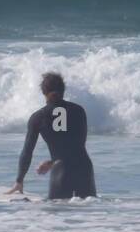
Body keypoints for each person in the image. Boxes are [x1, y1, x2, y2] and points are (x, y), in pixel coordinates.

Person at [8, 72, 96, 200]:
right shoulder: (79, 111)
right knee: (88, 215)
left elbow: (27, 151)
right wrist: (52, 161)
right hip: (84, 169)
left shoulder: (38, 117)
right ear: (63, 90)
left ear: (44, 92)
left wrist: (19, 180)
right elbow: (77, 145)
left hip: (61, 171)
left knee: (57, 215)